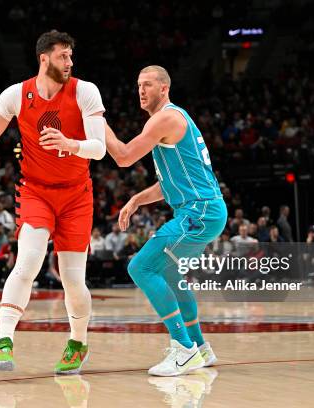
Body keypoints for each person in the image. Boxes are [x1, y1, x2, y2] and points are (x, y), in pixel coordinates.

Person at [0, 30, 106, 374]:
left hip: (77, 195)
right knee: (29, 260)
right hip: (36, 190)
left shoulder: (85, 91)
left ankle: (78, 342)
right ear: (44, 58)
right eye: (63, 56)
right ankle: (3, 340)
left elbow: (100, 148)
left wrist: (70, 142)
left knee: (73, 281)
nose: (69, 62)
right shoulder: (16, 95)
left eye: (70, 56)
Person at [105, 65, 227, 376]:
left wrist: (97, 121)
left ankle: (183, 349)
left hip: (198, 211)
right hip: (204, 210)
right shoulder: (170, 122)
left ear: (164, 88)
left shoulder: (167, 118)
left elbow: (122, 157)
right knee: (170, 272)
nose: (141, 90)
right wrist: (135, 200)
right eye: (138, 85)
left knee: (141, 267)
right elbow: (169, 184)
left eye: (147, 84)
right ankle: (199, 347)